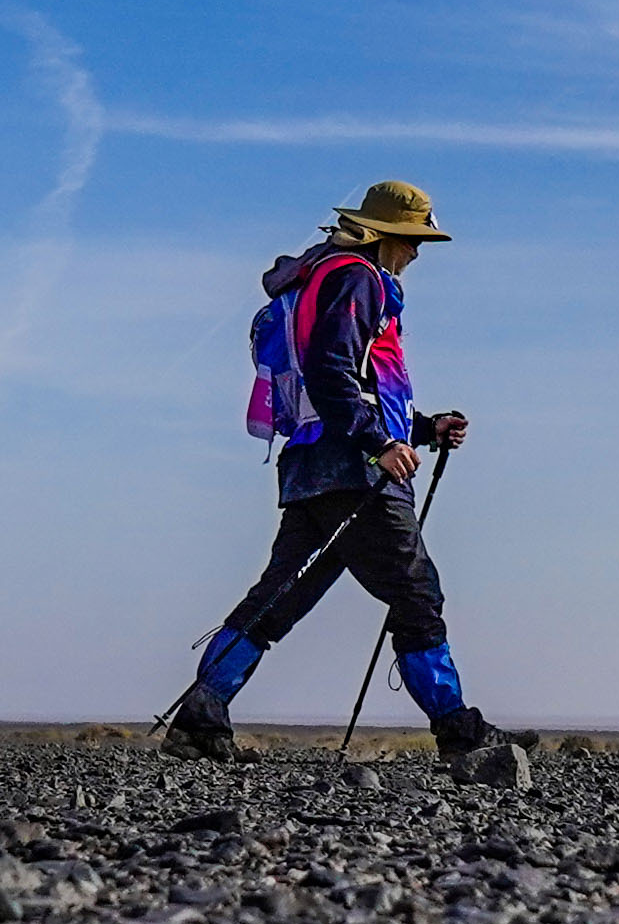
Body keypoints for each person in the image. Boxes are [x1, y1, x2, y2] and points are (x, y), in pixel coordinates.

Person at [162, 178, 530, 781]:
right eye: (412, 242)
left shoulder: (320, 275)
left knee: (281, 595)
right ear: (384, 236)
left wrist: (422, 428)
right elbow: (334, 369)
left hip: (311, 466)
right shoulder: (358, 277)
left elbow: (341, 383)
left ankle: (201, 717)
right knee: (417, 595)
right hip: (356, 475)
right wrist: (380, 443)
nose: (416, 254)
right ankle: (460, 735)